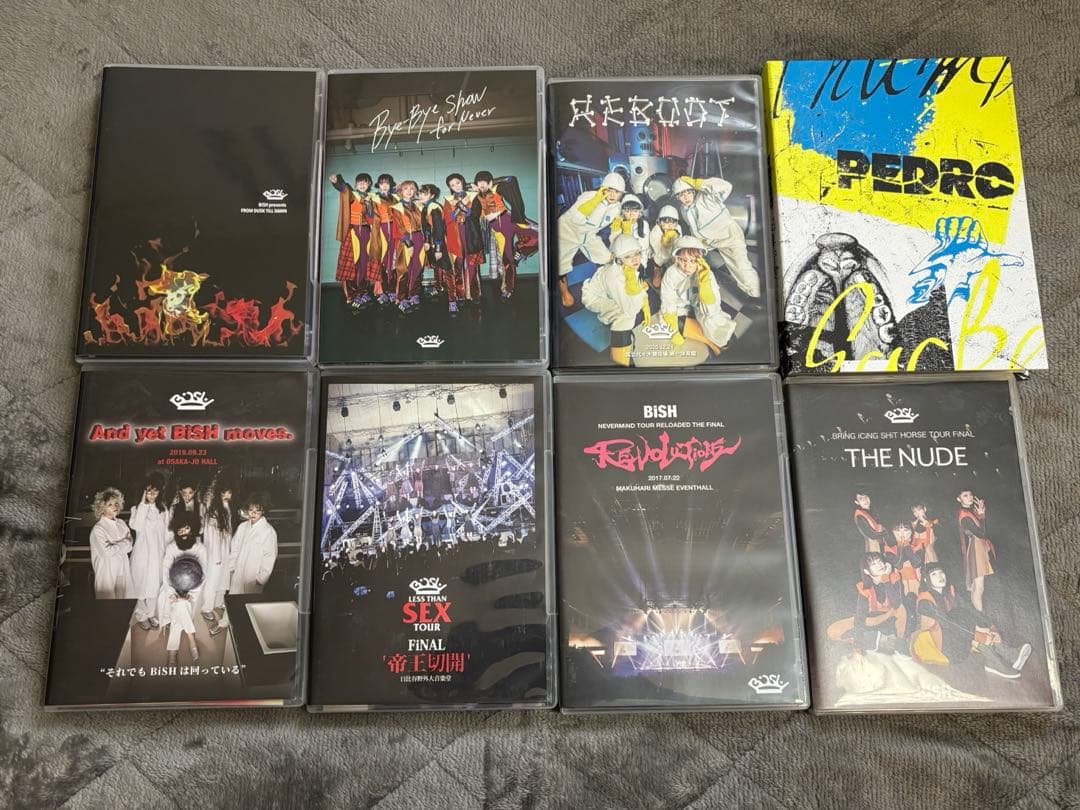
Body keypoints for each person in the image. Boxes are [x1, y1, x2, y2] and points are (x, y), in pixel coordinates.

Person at [912, 563, 1031, 679]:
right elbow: (947, 623)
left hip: (955, 638)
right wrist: (977, 634)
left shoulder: (949, 593)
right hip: (938, 646)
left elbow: (970, 611)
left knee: (963, 612)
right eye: (934, 574)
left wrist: (991, 628)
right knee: (958, 615)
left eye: (941, 572)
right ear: (926, 580)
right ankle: (995, 661)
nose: (940, 576)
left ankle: (1008, 655)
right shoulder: (924, 601)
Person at [671, 175, 759, 299]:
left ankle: (757, 295)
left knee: (741, 269)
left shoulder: (706, 197)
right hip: (709, 241)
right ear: (677, 197)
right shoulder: (684, 209)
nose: (685, 197)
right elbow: (693, 228)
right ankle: (685, 288)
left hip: (729, 238)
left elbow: (726, 186)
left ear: (694, 190)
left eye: (688, 192)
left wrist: (699, 183)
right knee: (687, 255)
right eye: (681, 195)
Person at [580, 233, 652, 366]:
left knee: (632, 304)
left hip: (609, 293)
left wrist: (645, 303)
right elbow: (630, 309)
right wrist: (638, 292)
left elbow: (636, 287)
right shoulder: (614, 276)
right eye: (627, 256)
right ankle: (620, 360)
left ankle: (621, 348)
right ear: (618, 259)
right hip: (595, 299)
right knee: (626, 316)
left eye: (637, 253)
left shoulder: (628, 267)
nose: (635, 259)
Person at [557, 172, 626, 307]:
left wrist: (618, 240)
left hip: (588, 235)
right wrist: (595, 201)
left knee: (607, 258)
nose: (612, 195)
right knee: (560, 266)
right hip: (567, 233)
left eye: (617, 192)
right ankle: (564, 293)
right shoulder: (588, 196)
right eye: (609, 190)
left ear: (621, 194)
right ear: (603, 188)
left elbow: (615, 229)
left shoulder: (617, 208)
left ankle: (605, 285)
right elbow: (576, 219)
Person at [659, 235, 736, 353]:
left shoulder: (706, 274)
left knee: (714, 320)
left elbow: (712, 309)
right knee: (667, 322)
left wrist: (704, 284)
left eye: (692, 260)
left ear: (700, 260)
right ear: (677, 258)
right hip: (680, 307)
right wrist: (673, 331)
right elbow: (668, 301)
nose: (688, 265)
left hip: (698, 305)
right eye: (683, 260)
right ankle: (709, 342)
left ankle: (714, 338)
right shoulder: (671, 274)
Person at [329, 172, 383, 307]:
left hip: (366, 232)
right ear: (355, 184)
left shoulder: (371, 198)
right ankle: (352, 296)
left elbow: (372, 217)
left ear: (369, 184)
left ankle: (362, 291)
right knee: (352, 264)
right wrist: (337, 182)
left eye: (365, 182)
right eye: (359, 182)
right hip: (353, 232)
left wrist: (369, 205)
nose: (362, 184)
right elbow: (343, 188)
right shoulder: (352, 195)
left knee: (365, 263)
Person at [470, 171, 520, 301]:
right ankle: (505, 285)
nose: (481, 184)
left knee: (507, 258)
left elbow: (510, 178)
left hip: (504, 224)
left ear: (490, 182)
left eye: (484, 181)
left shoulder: (496, 189)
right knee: (500, 257)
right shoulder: (479, 195)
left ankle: (508, 289)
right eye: (479, 182)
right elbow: (464, 187)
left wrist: (491, 183)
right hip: (493, 228)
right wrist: (477, 187)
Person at [128, 473, 168, 627]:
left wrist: (166, 553)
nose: (152, 495)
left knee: (154, 585)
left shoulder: (162, 510)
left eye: (155, 491)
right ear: (144, 492)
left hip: (158, 554)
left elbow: (166, 533)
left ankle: (150, 613)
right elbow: (136, 526)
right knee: (139, 584)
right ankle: (141, 615)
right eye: (149, 491)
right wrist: (143, 504)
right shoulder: (136, 509)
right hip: (142, 554)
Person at [852, 552, 908, 655]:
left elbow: (896, 604)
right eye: (874, 564)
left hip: (891, 621)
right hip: (873, 621)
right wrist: (857, 645)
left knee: (901, 610)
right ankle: (872, 639)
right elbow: (860, 615)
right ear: (866, 571)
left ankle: (898, 643)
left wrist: (886, 579)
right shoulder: (864, 588)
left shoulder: (894, 578)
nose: (879, 565)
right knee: (836, 630)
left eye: (880, 561)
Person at [442, 173, 483, 305]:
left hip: (471, 232)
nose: (456, 186)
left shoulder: (473, 196)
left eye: (458, 183)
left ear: (462, 182)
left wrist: (463, 207)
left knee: (472, 265)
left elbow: (476, 214)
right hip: (455, 234)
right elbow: (447, 219)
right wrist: (457, 209)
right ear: (450, 187)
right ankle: (460, 295)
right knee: (458, 265)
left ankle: (474, 294)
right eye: (452, 185)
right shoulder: (448, 200)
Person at [201, 477, 234, 632]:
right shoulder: (213, 511)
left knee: (223, 578)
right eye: (225, 493)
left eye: (229, 492)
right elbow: (211, 537)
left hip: (225, 549)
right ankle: (206, 607)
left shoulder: (226, 507)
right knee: (212, 579)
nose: (228, 495)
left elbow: (228, 532)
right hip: (215, 551)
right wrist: (217, 556)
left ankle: (218, 602)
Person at [88, 487, 133, 599]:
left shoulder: (121, 523)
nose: (115, 506)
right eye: (110, 504)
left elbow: (130, 547)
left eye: (116, 503)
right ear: (102, 508)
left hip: (123, 569)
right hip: (107, 572)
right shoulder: (98, 529)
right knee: (108, 604)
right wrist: (125, 542)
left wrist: (116, 545)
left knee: (125, 602)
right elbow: (107, 552)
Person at [419, 183, 458, 314]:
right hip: (432, 242)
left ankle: (452, 300)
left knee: (447, 270)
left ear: (432, 195)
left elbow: (439, 229)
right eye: (420, 193)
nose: (421, 196)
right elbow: (426, 227)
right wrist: (426, 241)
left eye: (424, 194)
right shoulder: (426, 207)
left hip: (440, 243)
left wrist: (438, 248)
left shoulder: (434, 208)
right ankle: (438, 287)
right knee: (436, 266)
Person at [228, 492, 278, 594]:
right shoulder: (242, 527)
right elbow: (234, 548)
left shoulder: (268, 531)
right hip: (237, 574)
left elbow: (269, 557)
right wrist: (231, 567)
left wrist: (261, 579)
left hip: (253, 579)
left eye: (257, 511)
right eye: (251, 510)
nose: (253, 513)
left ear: (263, 511)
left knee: (250, 601)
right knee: (235, 599)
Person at [160, 555, 204, 666]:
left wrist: (190, 595)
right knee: (181, 605)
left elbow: (202, 578)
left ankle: (172, 651)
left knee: (180, 606)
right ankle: (191, 638)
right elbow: (165, 576)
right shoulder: (172, 549)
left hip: (191, 592)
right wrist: (172, 594)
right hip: (171, 591)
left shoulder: (200, 550)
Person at [390, 180, 425, 313]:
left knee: (417, 267)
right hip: (405, 239)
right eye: (406, 189)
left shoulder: (418, 205)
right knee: (403, 269)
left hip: (419, 237)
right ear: (400, 191)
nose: (409, 191)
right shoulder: (397, 207)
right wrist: (408, 243)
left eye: (411, 189)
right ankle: (401, 298)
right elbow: (399, 227)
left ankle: (413, 294)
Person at [957, 490, 994, 612]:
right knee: (979, 587)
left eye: (970, 494)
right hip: (975, 549)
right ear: (959, 499)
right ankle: (980, 616)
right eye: (965, 495)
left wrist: (980, 512)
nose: (969, 497)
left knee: (976, 587)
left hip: (979, 547)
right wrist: (982, 515)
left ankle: (977, 615)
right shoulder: (964, 515)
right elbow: (982, 533)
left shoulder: (970, 511)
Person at [372, 174, 399, 305]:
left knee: (393, 260)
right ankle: (382, 291)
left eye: (387, 183)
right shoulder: (374, 198)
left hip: (394, 230)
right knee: (382, 261)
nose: (384, 186)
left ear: (390, 185)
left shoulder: (395, 198)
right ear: (378, 185)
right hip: (381, 230)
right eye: (382, 183)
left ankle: (393, 290)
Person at [648, 204, 682, 288]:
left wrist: (673, 241)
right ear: (659, 222)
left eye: (673, 222)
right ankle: (657, 270)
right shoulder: (655, 232)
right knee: (658, 261)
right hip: (659, 254)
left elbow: (679, 245)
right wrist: (666, 244)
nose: (670, 225)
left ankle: (673, 270)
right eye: (666, 222)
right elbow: (659, 252)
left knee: (677, 261)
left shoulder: (677, 228)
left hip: (671, 254)